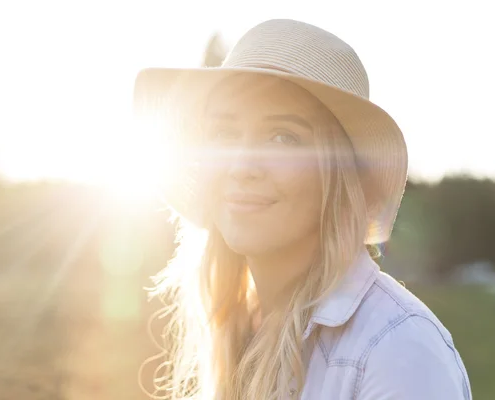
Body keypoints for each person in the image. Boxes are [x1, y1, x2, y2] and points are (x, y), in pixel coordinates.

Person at [134, 19, 472, 400]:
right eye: (224, 133)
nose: (241, 165)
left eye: (283, 137)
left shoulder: (396, 353)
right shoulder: (237, 331)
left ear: (337, 173)